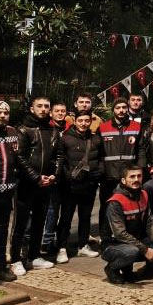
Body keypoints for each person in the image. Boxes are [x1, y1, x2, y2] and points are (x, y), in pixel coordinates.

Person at [0, 101, 47, 282]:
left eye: (5, 113)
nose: (2, 115)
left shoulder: (13, 133)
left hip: (5, 193)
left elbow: (18, 158)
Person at [10, 96, 60, 276]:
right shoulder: (23, 130)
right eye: (39, 106)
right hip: (26, 183)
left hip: (46, 183)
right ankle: (15, 259)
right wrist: (36, 177)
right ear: (32, 109)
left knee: (40, 220)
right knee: (20, 223)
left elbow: (58, 155)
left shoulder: (53, 130)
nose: (44, 109)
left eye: (47, 106)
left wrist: (54, 175)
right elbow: (19, 157)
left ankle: (34, 255)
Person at [100, 163, 153, 285]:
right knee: (133, 252)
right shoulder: (115, 202)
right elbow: (120, 234)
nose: (136, 180)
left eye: (139, 176)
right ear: (123, 180)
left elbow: (150, 222)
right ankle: (112, 269)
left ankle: (139, 271)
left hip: (134, 240)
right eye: (132, 177)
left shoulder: (143, 194)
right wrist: (145, 250)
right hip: (113, 244)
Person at [55, 110, 104, 264]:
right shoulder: (65, 138)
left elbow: (102, 157)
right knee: (66, 217)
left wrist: (100, 171)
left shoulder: (96, 138)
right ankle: (61, 248)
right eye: (81, 120)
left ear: (90, 121)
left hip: (89, 184)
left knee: (85, 216)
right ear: (75, 120)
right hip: (70, 186)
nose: (84, 123)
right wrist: (66, 176)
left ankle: (83, 245)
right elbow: (60, 159)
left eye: (87, 121)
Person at [99, 98, 142, 238]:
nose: (121, 110)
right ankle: (105, 237)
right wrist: (101, 172)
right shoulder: (103, 127)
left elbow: (140, 150)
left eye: (124, 107)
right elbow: (99, 152)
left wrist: (140, 170)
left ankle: (127, 236)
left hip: (129, 177)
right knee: (106, 207)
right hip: (109, 176)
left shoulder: (136, 126)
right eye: (118, 108)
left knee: (128, 207)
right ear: (113, 110)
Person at [41, 101, 70, 257]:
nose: (60, 113)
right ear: (51, 113)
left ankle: (59, 242)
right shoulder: (47, 129)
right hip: (51, 175)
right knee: (50, 210)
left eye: (63, 111)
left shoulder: (70, 129)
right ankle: (46, 241)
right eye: (57, 111)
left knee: (63, 212)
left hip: (68, 175)